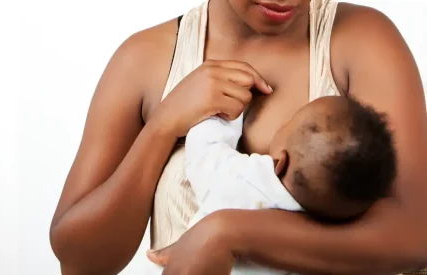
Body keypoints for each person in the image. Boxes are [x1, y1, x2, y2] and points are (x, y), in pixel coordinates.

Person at [49, 0, 427, 274]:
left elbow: (414, 236)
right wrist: (163, 126)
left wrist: (229, 233)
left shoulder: (359, 38)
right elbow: (81, 262)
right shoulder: (144, 61)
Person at [149, 96, 396, 274]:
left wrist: (228, 111)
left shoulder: (246, 180)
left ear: (280, 161)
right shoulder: (330, 227)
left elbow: (205, 151)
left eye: (288, 122)